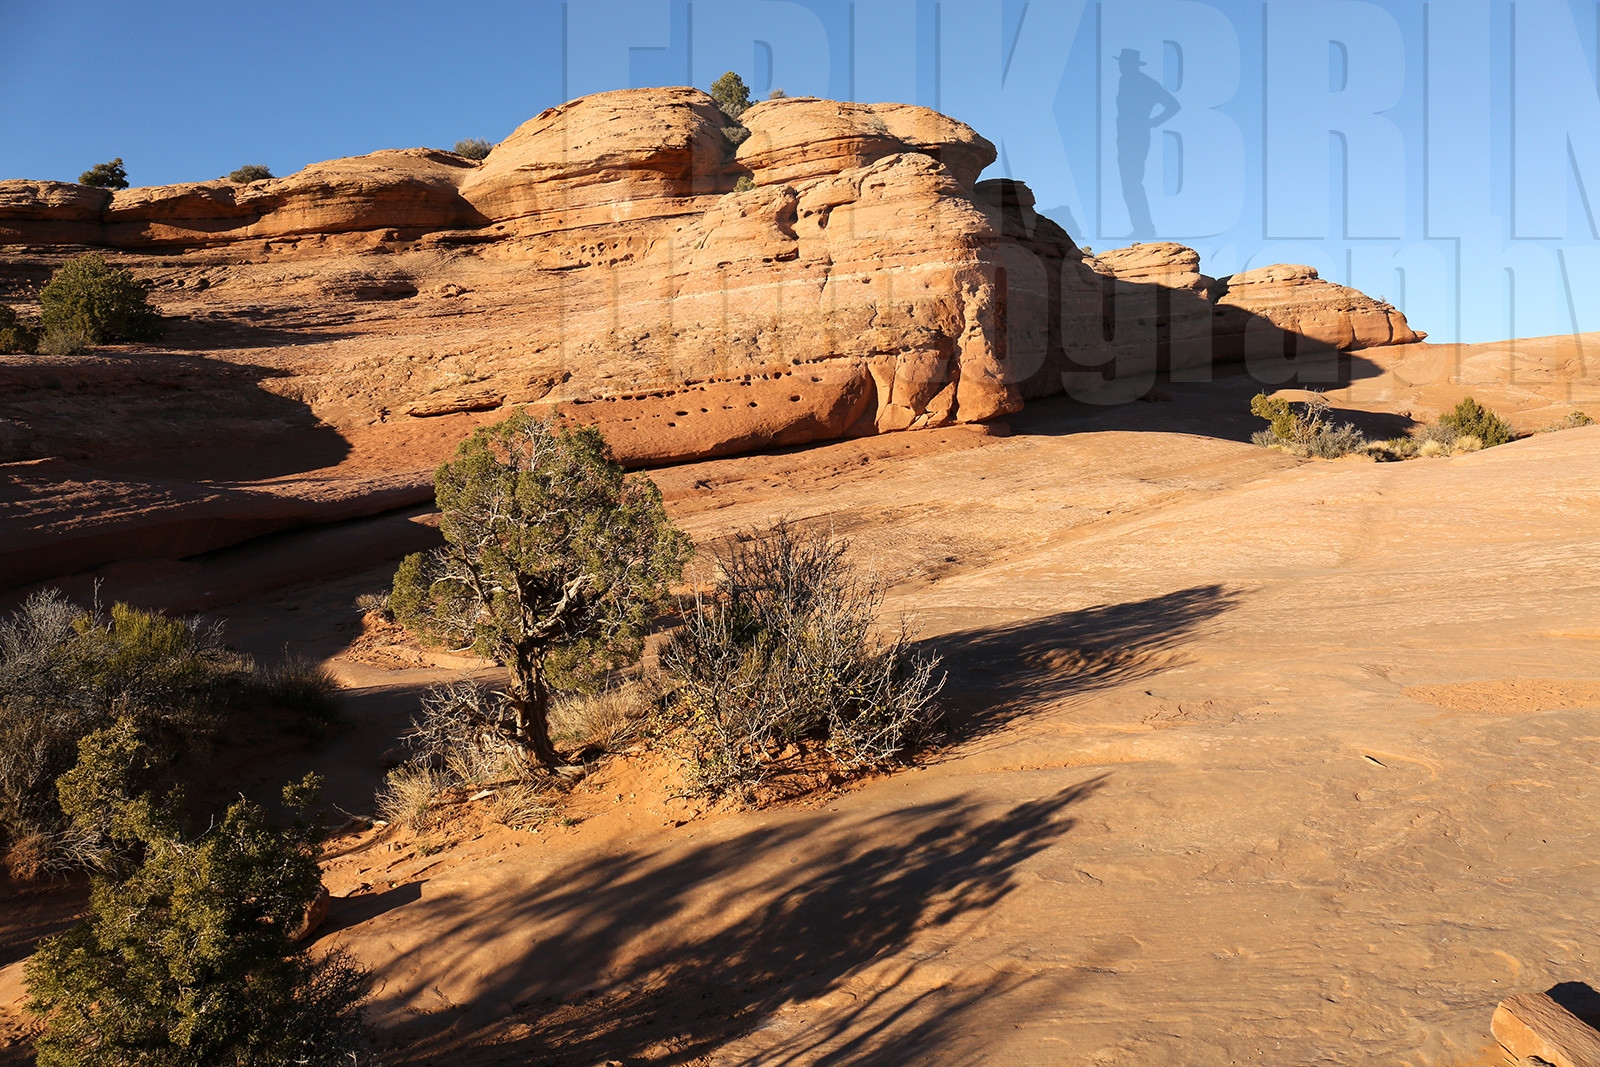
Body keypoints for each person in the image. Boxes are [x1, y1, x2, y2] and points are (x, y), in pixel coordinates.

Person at [1114, 48, 1181, 241]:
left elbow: (1174, 105)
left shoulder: (1145, 83)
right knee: (1129, 183)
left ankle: (1144, 228)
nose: (1120, 66)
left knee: (1131, 182)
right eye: (1121, 63)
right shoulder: (1125, 80)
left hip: (1135, 135)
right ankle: (1142, 227)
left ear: (1131, 65)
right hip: (1126, 135)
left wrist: (1153, 121)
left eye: (1123, 63)